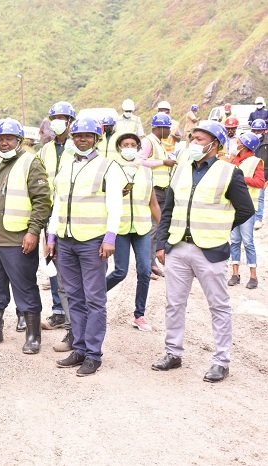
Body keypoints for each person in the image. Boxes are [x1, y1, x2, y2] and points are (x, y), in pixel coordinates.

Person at [152, 121, 254, 383]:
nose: (194, 143)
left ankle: (221, 361)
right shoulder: (181, 170)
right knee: (174, 303)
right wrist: (161, 243)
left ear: (214, 144)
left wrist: (220, 226)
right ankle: (173, 353)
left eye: (200, 139)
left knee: (219, 306)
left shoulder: (229, 172)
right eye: (193, 139)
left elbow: (246, 210)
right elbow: (169, 210)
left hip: (210, 250)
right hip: (178, 247)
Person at [48, 117, 125, 376]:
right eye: (78, 135)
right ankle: (79, 348)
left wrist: (110, 238)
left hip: (93, 242)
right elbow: (59, 203)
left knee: (94, 299)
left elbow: (115, 205)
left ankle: (93, 354)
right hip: (66, 240)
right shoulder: (67, 166)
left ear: (97, 139)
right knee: (75, 297)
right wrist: (52, 236)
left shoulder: (108, 167)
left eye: (87, 135)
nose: (82, 139)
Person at [0, 118, 51, 354]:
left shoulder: (30, 162)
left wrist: (33, 231)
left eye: (9, 139)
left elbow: (42, 201)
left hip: (17, 240)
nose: (4, 143)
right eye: (1, 139)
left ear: (19, 141)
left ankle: (33, 336)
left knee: (25, 288)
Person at [105, 133, 161, 332]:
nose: (129, 147)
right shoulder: (112, 169)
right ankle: (94, 297)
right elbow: (104, 198)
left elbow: (153, 203)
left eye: (132, 144)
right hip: (120, 227)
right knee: (120, 272)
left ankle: (139, 315)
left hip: (142, 227)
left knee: (145, 270)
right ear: (119, 148)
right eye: (125, 144)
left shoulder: (146, 172)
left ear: (138, 148)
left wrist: (163, 227)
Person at [35, 101, 75, 351]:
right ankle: (59, 311)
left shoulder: (78, 147)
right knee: (51, 263)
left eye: (63, 118)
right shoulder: (45, 150)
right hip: (49, 213)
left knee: (69, 270)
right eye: (55, 118)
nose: (58, 122)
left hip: (71, 215)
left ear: (71, 122)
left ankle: (74, 322)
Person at [139, 113, 177, 279]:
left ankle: (152, 262)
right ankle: (147, 265)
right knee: (153, 228)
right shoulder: (148, 142)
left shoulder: (160, 143)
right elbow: (140, 161)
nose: (169, 132)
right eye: (167, 128)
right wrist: (163, 162)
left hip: (163, 190)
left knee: (158, 227)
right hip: (154, 189)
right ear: (160, 128)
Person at [227, 132, 264, 289]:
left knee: (248, 242)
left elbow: (260, 182)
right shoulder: (234, 159)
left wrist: (240, 179)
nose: (237, 143)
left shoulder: (256, 162)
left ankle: (253, 276)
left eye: (239, 141)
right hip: (232, 206)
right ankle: (235, 274)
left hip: (247, 208)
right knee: (234, 241)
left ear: (245, 145)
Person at [252, 119, 268, 229]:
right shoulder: (249, 141)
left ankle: (258, 218)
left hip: (263, 174)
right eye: (255, 130)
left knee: (260, 197)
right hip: (250, 172)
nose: (257, 133)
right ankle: (250, 218)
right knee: (249, 196)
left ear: (264, 130)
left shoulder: (266, 143)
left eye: (259, 131)